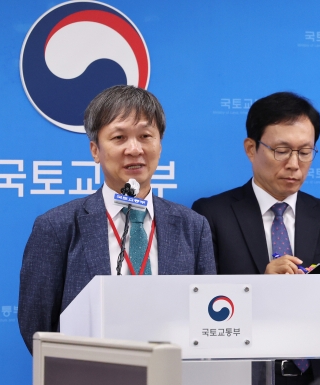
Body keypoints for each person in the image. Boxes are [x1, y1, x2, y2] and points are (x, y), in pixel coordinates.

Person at [18, 85, 216, 353]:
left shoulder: (192, 226)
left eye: (146, 136)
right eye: (119, 137)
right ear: (95, 150)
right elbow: (37, 327)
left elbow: (205, 317)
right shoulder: (57, 226)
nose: (134, 149)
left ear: (159, 144)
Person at [192, 92, 320, 384]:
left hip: (319, 376)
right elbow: (200, 309)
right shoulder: (211, 215)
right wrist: (262, 288)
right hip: (241, 375)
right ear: (251, 148)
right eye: (282, 150)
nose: (294, 164)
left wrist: (304, 294)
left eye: (305, 151)